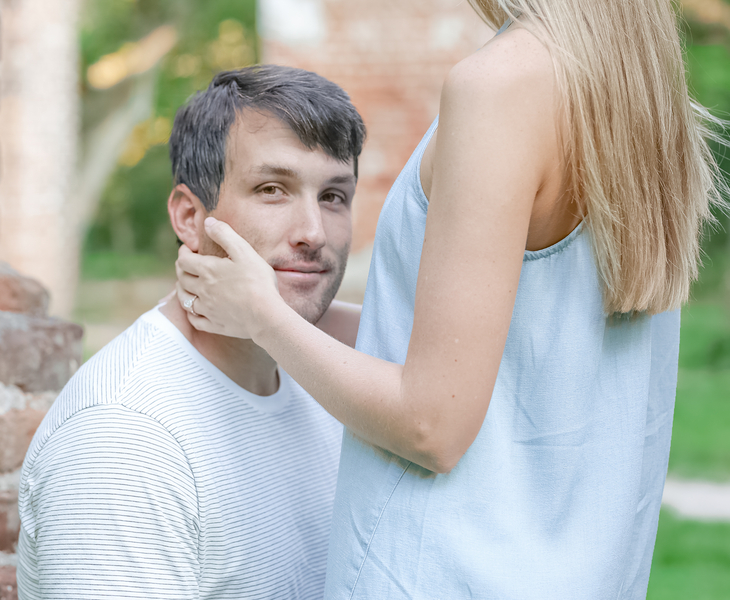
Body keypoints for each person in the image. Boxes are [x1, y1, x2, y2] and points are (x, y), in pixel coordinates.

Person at [175, 2, 728, 598]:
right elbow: (512, 356)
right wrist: (271, 307)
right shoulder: (632, 84)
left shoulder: (501, 87)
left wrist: (262, 316)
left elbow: (431, 425)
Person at [16, 65, 366, 600]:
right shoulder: (127, 438)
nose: (313, 233)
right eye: (272, 189)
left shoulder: (317, 374)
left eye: (333, 196)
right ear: (188, 217)